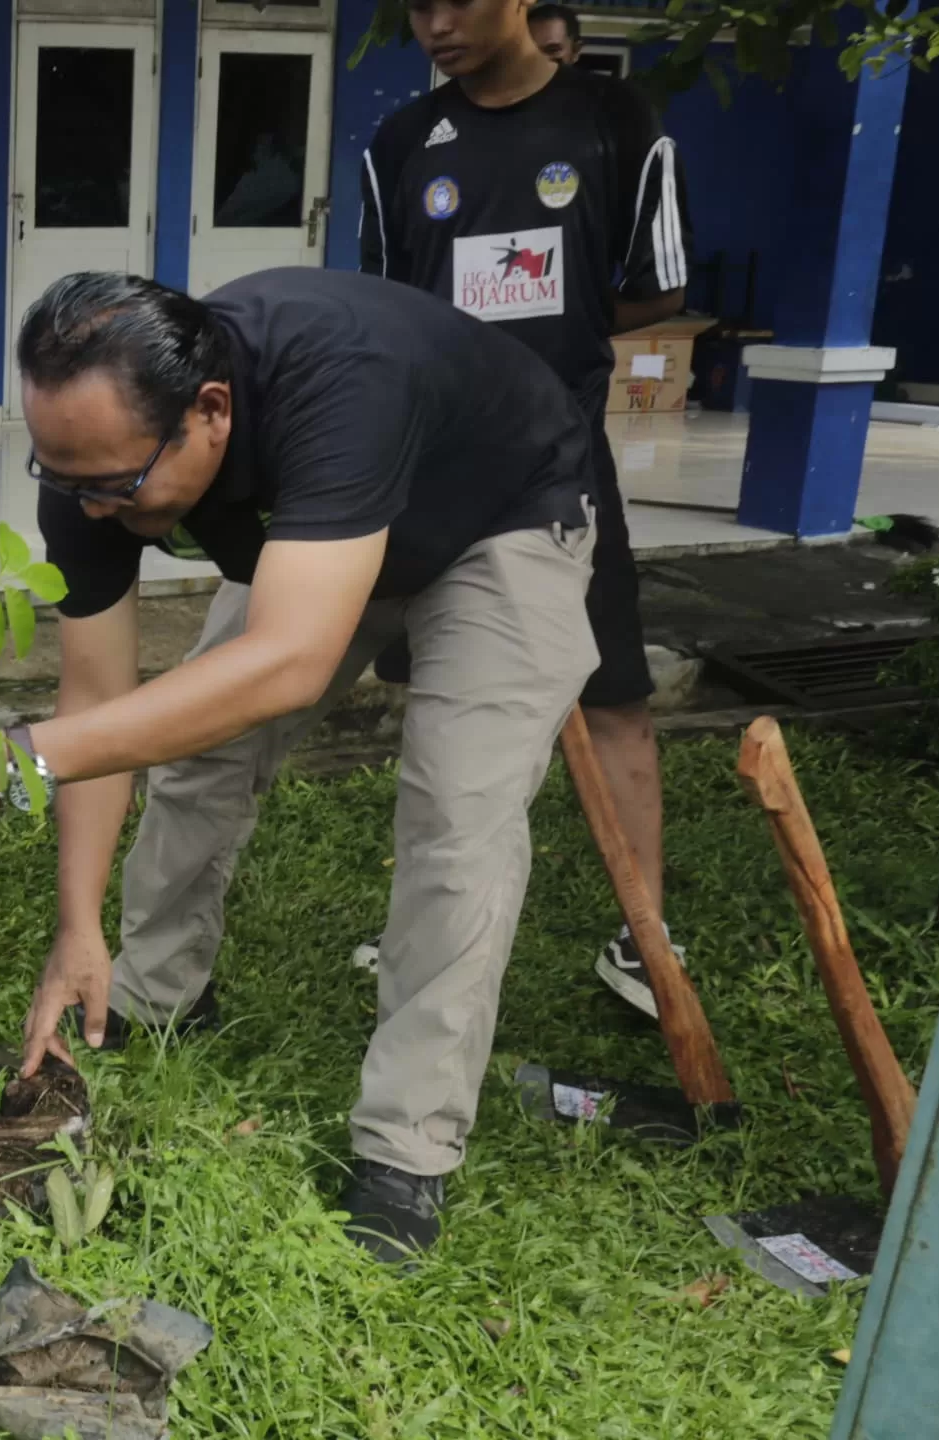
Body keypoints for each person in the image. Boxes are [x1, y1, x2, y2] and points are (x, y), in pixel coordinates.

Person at [0, 270, 602, 1262]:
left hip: (494, 516)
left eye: (114, 486)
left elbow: (290, 662)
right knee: (193, 752)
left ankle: (406, 1147)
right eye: (63, 481)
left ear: (211, 412)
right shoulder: (90, 463)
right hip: (321, 539)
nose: (88, 511)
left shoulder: (341, 381)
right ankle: (154, 988)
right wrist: (77, 928)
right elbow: (99, 707)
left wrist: (16, 758)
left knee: (455, 820)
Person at [359, 0, 692, 1018]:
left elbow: (656, 288)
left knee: (615, 696)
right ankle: (423, 924)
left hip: (564, 467)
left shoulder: (615, 121)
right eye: (417, 7)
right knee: (442, 700)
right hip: (436, 472)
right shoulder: (401, 142)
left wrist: (565, 328)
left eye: (456, 0)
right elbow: (382, 307)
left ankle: (644, 938)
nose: (436, 24)